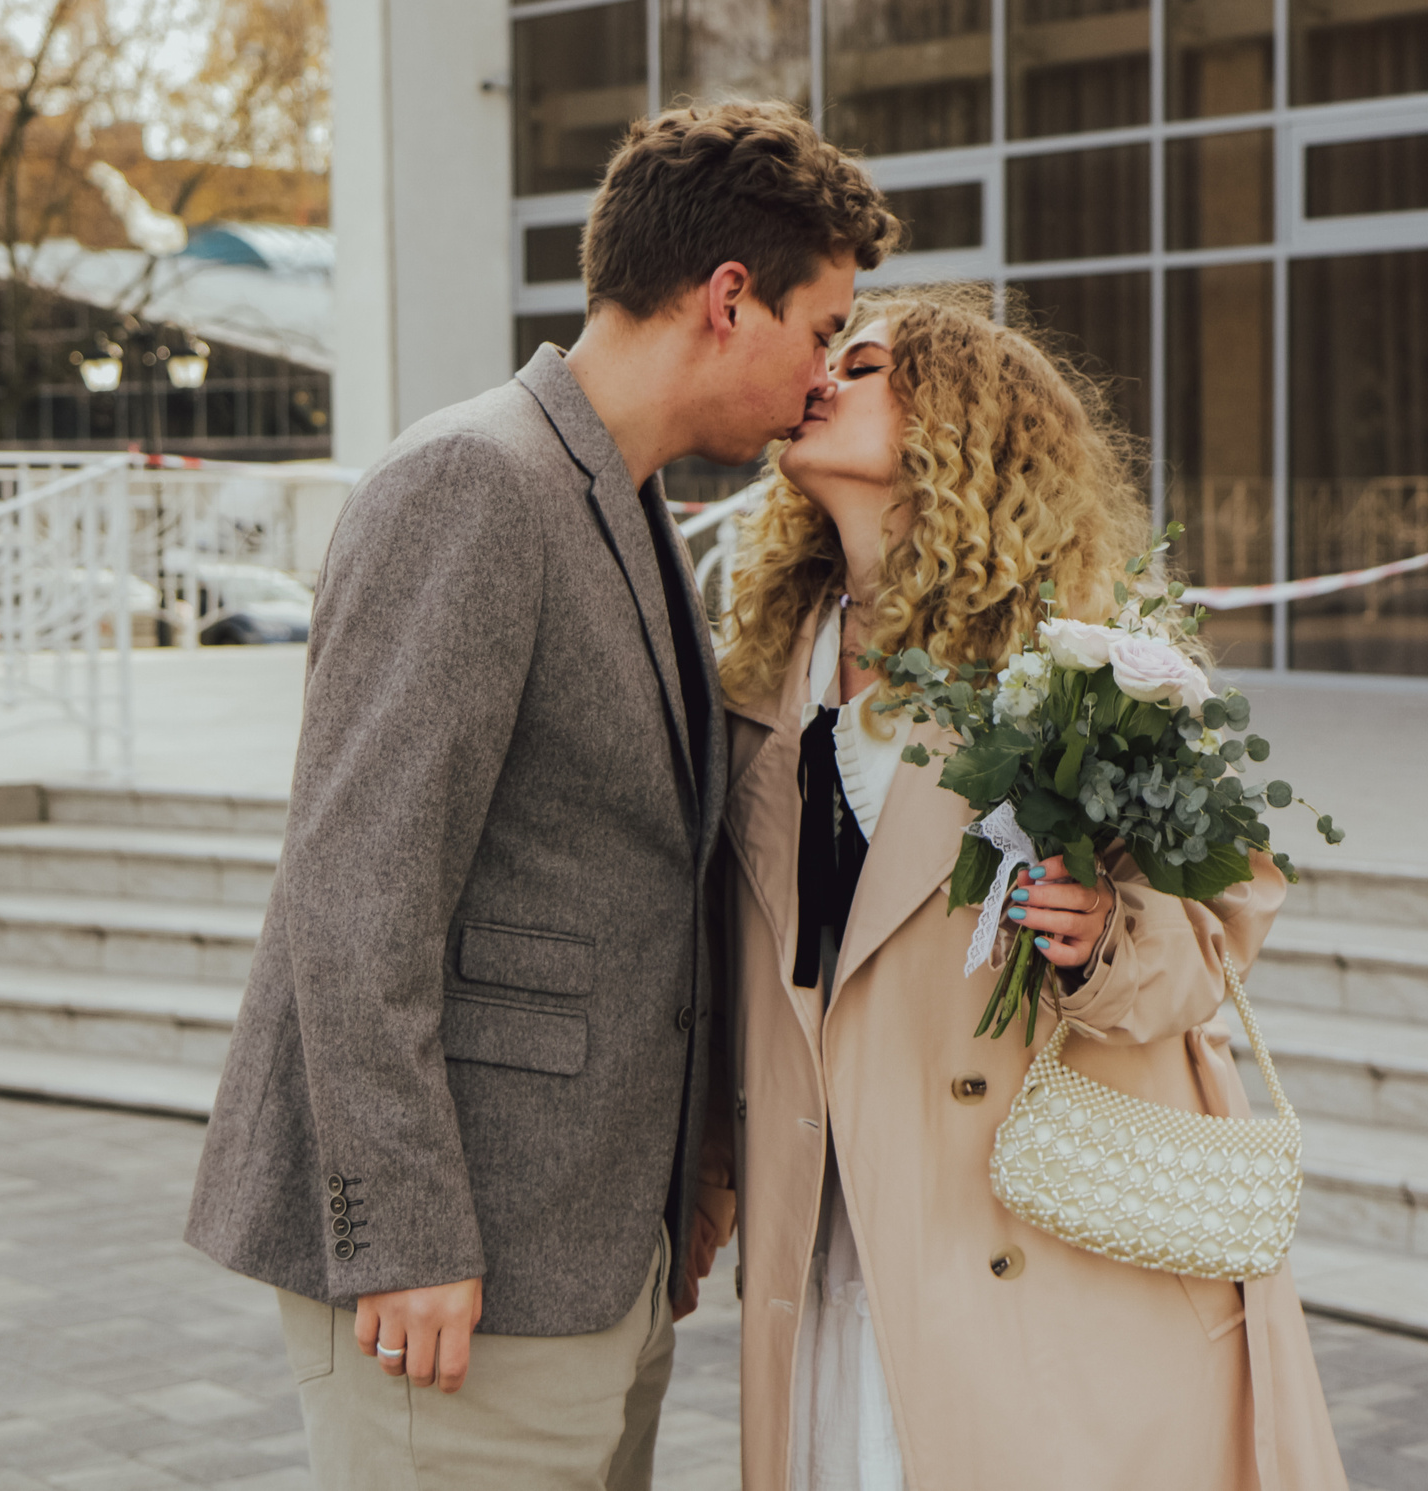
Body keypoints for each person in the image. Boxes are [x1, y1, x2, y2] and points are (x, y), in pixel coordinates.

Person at [185, 100, 900, 1490]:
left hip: (589, 1260)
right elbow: (356, 890)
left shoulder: (621, 498)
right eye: (823, 330)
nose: (824, 375)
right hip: (453, 1288)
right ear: (729, 298)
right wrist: (404, 1231)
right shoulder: (473, 479)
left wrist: (688, 1172)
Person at [713, 290, 1351, 1491]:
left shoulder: (1082, 650)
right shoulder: (764, 669)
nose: (822, 378)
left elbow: (1228, 910)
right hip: (835, 1226)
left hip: (1027, 1242)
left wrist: (1108, 932)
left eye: (863, 364)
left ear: (958, 424)